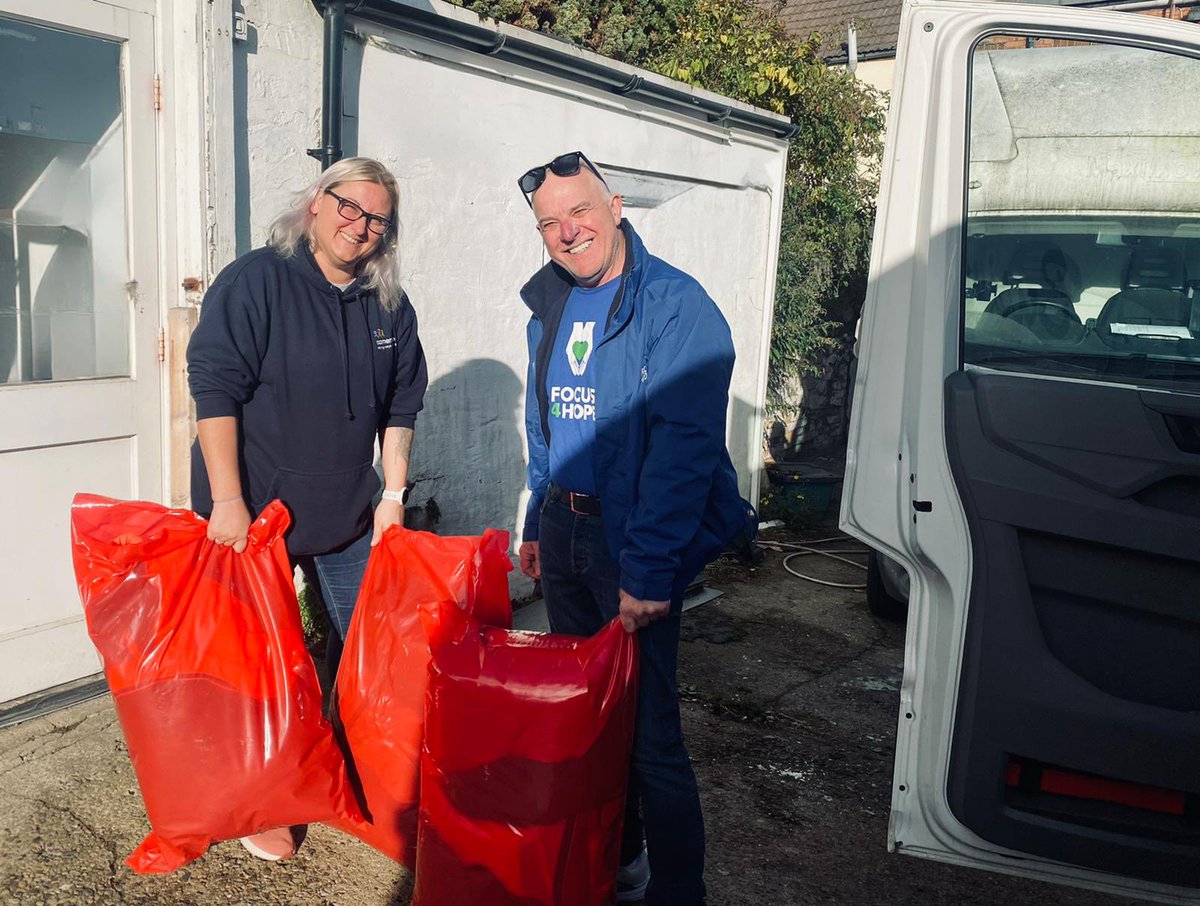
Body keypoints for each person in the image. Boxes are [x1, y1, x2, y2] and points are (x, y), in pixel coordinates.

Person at [515, 151, 753, 906]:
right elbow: (547, 426)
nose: (566, 231)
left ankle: (679, 891)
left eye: (578, 212)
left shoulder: (678, 307)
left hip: (632, 545)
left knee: (651, 739)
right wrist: (534, 519)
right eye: (549, 222)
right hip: (566, 534)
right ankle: (616, 864)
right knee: (586, 720)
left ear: (616, 207)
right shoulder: (552, 303)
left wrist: (650, 573)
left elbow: (681, 459)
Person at [186, 156, 428, 861]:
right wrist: (227, 499)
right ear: (317, 204)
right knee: (264, 665)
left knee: (362, 652)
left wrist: (391, 496)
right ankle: (265, 798)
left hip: (349, 515)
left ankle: (348, 769)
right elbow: (215, 390)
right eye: (349, 207)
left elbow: (402, 406)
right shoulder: (258, 281)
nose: (361, 227)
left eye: (378, 218)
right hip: (258, 515)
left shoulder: (389, 304)